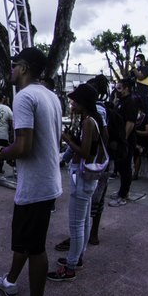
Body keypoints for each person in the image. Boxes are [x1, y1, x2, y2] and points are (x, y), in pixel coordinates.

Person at [0, 47, 62, 296]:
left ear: (23, 68)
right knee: (24, 239)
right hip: (45, 181)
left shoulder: (24, 97)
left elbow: (23, 146)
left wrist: (2, 153)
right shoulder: (50, 95)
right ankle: (10, 281)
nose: (10, 71)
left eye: (13, 66)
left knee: (35, 247)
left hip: (36, 185)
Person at [49, 84, 107, 282]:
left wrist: (66, 139)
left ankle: (71, 266)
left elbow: (83, 152)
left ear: (83, 102)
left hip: (82, 177)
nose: (71, 103)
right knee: (83, 221)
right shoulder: (90, 120)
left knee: (76, 224)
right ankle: (77, 257)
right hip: (85, 178)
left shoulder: (89, 122)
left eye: (74, 100)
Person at [109, 79, 138, 207]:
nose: (117, 90)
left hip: (126, 140)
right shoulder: (120, 101)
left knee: (125, 167)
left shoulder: (130, 102)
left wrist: (123, 139)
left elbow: (130, 123)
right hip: (118, 140)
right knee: (120, 166)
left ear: (126, 88)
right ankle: (121, 191)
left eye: (119, 88)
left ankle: (124, 195)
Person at [132, 108, 148, 181]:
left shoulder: (147, 119)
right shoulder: (132, 119)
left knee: (144, 151)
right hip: (136, 141)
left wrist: (136, 132)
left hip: (146, 141)